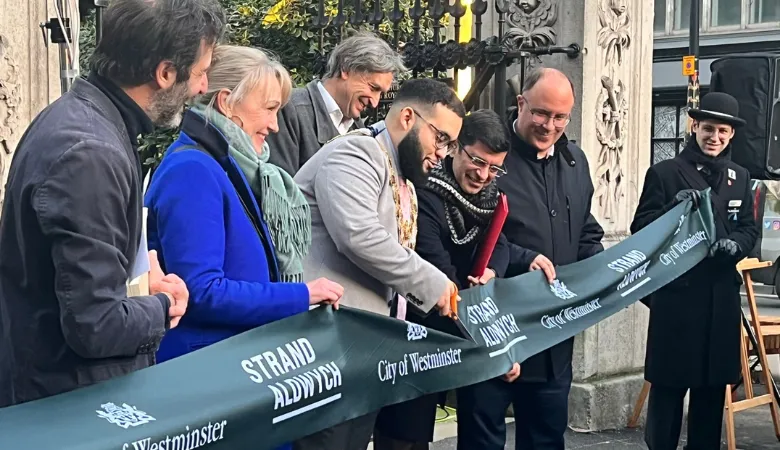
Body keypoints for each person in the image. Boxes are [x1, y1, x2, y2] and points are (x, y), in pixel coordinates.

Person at [0, 0, 225, 407]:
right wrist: (163, 306)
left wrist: (139, 281)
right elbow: (96, 325)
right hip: (66, 411)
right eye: (201, 72)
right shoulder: (89, 152)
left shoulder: (81, 120)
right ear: (165, 73)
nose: (203, 87)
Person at [292, 78, 465, 450]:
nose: (444, 154)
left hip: (361, 347)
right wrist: (434, 284)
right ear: (407, 116)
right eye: (441, 138)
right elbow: (360, 236)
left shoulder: (402, 176)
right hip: (326, 344)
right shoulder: (355, 153)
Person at [145, 45, 344, 360]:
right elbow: (202, 291)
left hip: (223, 362)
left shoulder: (217, 163)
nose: (275, 125)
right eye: (269, 108)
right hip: (204, 371)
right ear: (226, 103)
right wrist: (302, 294)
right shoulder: (193, 170)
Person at [372, 109, 526, 450]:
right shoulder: (425, 192)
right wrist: (495, 350)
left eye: (494, 168)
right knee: (404, 436)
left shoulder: (490, 196)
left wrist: (493, 271)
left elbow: (499, 241)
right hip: (419, 331)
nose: (484, 175)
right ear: (456, 147)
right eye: (478, 161)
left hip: (465, 331)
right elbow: (438, 272)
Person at [631, 92, 758, 450]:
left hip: (720, 302)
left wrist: (736, 245)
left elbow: (748, 227)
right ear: (694, 128)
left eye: (721, 131)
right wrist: (672, 210)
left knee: (711, 392)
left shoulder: (740, 176)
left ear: (731, 134)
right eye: (707, 129)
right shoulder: (665, 173)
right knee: (668, 393)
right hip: (677, 301)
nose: (713, 137)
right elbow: (640, 228)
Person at [494, 67, 605, 450]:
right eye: (541, 113)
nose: (549, 125)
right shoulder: (491, 156)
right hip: (499, 327)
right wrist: (523, 258)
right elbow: (472, 238)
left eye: (560, 117)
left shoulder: (577, 160)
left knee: (545, 439)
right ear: (521, 103)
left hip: (554, 336)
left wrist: (603, 267)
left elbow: (585, 229)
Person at [266, 31, 405, 176]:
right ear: (345, 69)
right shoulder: (290, 109)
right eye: (373, 88)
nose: (375, 103)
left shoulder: (359, 130)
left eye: (380, 93)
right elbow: (280, 191)